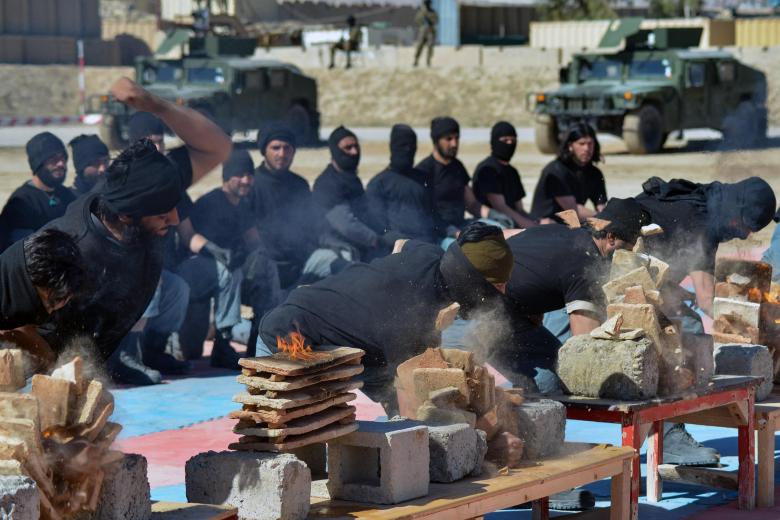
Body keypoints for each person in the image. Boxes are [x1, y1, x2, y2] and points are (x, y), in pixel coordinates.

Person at [36, 77, 231, 385]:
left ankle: (152, 349)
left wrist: (153, 103)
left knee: (176, 287)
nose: (158, 151)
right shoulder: (114, 188)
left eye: (161, 144)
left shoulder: (164, 180)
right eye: (150, 145)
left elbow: (217, 148)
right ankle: (125, 354)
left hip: (145, 278)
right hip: (96, 289)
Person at [259, 221, 513, 414]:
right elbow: (410, 399)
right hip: (291, 340)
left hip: (350, 342)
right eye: (495, 287)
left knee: (386, 382)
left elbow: (402, 244)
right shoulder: (410, 318)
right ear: (471, 281)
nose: (497, 296)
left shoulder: (432, 255)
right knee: (309, 429)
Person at [633, 176, 776, 467]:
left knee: (690, 327)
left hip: (641, 276)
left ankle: (673, 422)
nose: (746, 236)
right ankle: (670, 434)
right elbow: (707, 299)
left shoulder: (705, 207)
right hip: (613, 278)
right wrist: (755, 322)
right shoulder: (702, 224)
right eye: (746, 226)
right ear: (735, 211)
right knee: (687, 337)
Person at [178, 149, 280, 368]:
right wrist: (216, 251)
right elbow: (192, 243)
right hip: (199, 277)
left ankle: (258, 340)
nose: (246, 180)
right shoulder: (210, 203)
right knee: (191, 351)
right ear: (227, 177)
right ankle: (221, 342)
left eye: (250, 175)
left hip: (230, 278)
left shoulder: (242, 206)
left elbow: (254, 240)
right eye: (240, 175)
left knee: (265, 268)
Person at [416, 117, 507, 241]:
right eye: (449, 139)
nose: (454, 143)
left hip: (462, 225)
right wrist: (452, 232)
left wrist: (494, 216)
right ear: (437, 140)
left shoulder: (457, 166)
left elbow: (473, 204)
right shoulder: (423, 171)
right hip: (440, 234)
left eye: (457, 138)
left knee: (500, 231)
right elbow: (423, 214)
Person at [251, 123, 318, 288]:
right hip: (266, 265)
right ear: (264, 150)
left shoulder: (300, 184)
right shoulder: (251, 184)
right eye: (276, 148)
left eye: (287, 148)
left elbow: (312, 225)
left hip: (301, 263)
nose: (282, 154)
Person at [309, 126, 384, 273]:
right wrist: (375, 240)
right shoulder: (327, 183)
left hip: (360, 243)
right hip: (337, 247)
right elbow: (345, 224)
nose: (354, 152)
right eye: (348, 148)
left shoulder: (351, 179)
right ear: (335, 151)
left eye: (356, 146)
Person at [0, 132, 76, 250]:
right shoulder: (21, 203)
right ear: (38, 164)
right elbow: (23, 251)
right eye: (53, 159)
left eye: (63, 158)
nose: (61, 164)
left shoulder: (67, 195)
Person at [366, 124, 437, 248]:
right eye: (402, 146)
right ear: (393, 147)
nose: (408, 150)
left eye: (412, 146)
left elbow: (435, 216)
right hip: (398, 249)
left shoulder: (423, 178)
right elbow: (378, 227)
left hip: (429, 245)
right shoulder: (378, 184)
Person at [530, 123, 607, 222]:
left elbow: (601, 205)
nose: (587, 149)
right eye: (581, 144)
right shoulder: (555, 171)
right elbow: (573, 209)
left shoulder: (595, 173)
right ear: (570, 146)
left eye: (590, 143)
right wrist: (604, 218)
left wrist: (607, 216)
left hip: (570, 225)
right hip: (543, 225)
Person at [473, 122, 537, 229]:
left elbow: (520, 209)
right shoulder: (487, 170)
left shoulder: (512, 172)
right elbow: (500, 207)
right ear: (494, 141)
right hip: (492, 225)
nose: (510, 144)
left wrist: (536, 221)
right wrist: (530, 227)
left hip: (514, 222)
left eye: (513, 140)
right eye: (505, 140)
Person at [413, 0, 438, 67]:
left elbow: (436, 20)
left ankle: (428, 61)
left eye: (428, 3)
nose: (427, 4)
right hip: (423, 32)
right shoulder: (421, 12)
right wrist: (422, 21)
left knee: (430, 46)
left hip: (430, 32)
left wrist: (430, 20)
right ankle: (416, 60)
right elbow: (417, 20)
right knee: (419, 46)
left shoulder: (433, 12)